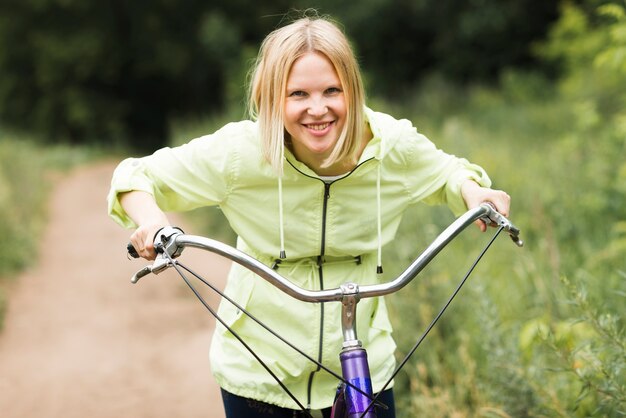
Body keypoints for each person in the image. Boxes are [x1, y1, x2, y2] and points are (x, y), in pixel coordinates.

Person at [107, 13, 510, 418]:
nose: (318, 110)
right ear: (272, 98)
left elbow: (448, 174)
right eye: (298, 94)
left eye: (332, 90)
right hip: (258, 373)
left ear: (352, 90)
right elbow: (136, 176)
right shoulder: (240, 154)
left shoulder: (391, 146)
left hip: (364, 367)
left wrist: (474, 192)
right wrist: (154, 223)